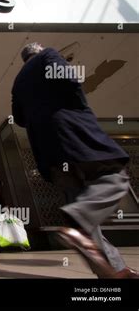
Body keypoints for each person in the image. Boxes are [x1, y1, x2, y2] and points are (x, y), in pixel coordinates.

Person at [11, 42, 137, 278]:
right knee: (115, 180)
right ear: (37, 50)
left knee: (84, 222)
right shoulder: (48, 55)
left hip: (49, 151)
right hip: (76, 136)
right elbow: (69, 79)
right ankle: (77, 221)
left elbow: (19, 118)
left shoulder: (18, 82)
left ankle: (114, 270)